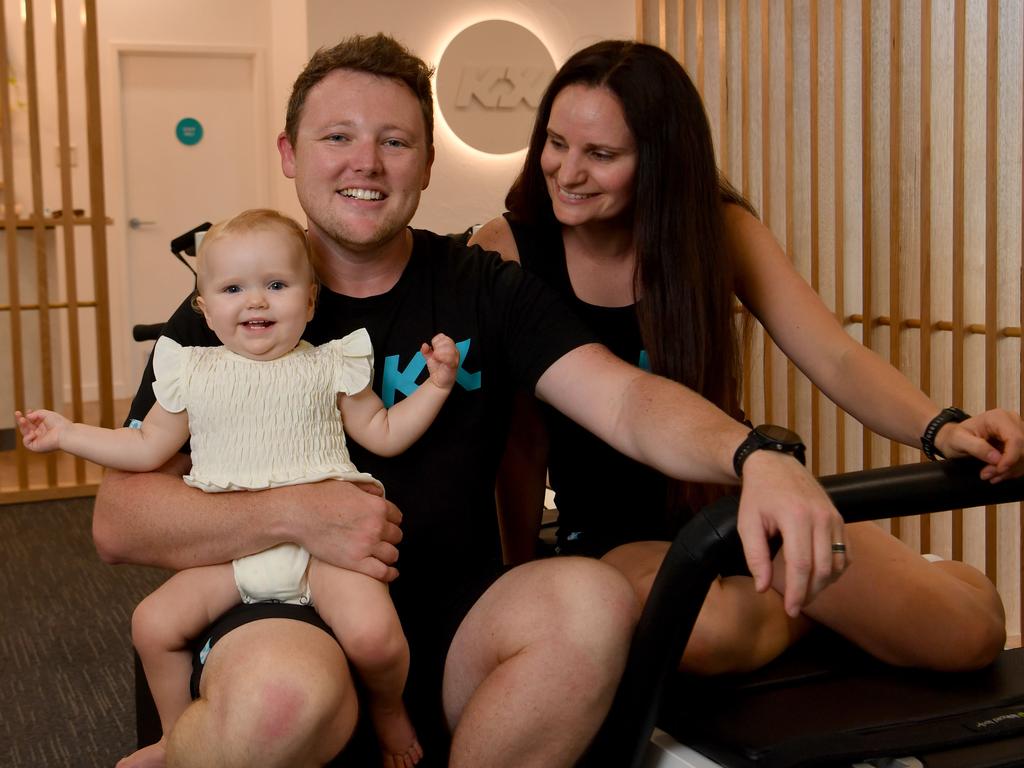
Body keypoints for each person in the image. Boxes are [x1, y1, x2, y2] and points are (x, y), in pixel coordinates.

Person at [92, 34, 848, 768]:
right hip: (286, 608)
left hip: (460, 622)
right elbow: (119, 519)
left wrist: (754, 456)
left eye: (394, 141)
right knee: (280, 699)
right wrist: (294, 515)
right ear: (289, 154)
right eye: (337, 137)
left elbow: (626, 402)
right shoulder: (236, 304)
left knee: (592, 604)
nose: (366, 162)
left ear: (425, 161)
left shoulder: (483, 285)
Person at [470, 39, 1024, 677]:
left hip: (746, 506)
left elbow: (834, 356)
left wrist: (944, 428)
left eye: (601, 154)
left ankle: (841, 588)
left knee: (972, 630)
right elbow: (516, 446)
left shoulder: (716, 229)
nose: (567, 172)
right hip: (613, 543)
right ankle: (827, 601)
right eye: (556, 143)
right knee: (703, 631)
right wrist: (515, 579)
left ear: (660, 160)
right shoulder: (506, 250)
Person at [18, 208, 461, 768]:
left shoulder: (331, 364)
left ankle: (389, 710)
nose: (256, 301)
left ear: (310, 300)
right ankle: (175, 736)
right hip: (232, 551)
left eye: (276, 285)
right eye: (233, 288)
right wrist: (68, 433)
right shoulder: (192, 372)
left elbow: (386, 433)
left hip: (322, 553)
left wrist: (437, 386)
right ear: (204, 308)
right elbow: (145, 449)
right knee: (151, 624)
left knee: (376, 637)